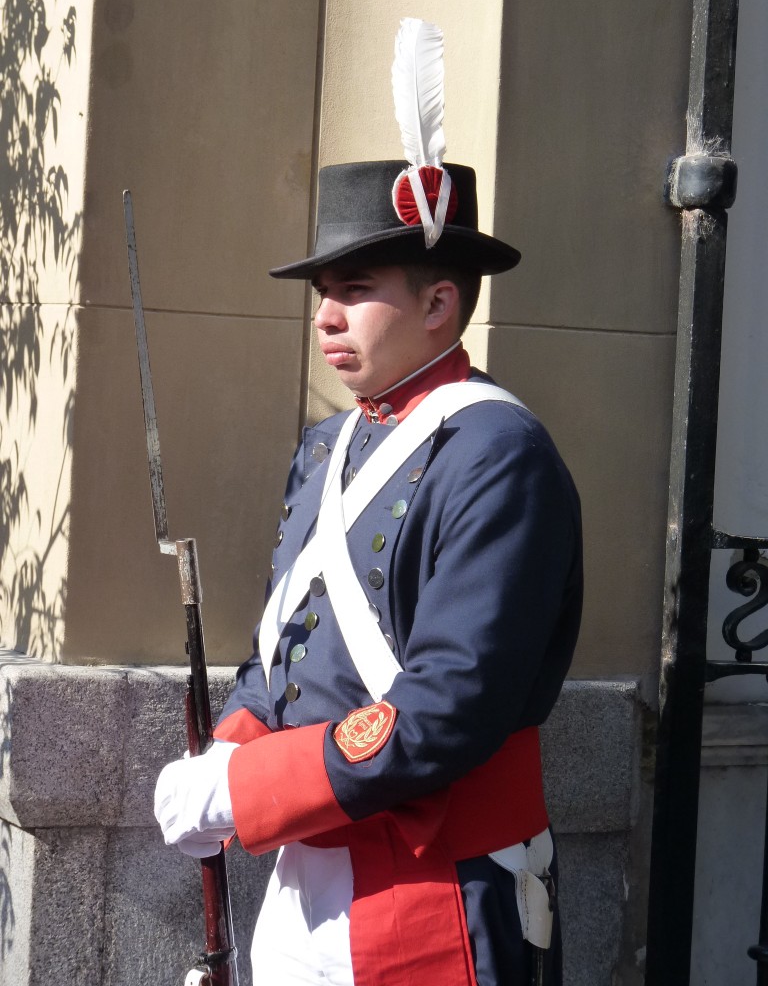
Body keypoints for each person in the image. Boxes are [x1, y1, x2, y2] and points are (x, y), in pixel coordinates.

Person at [155, 153, 582, 986]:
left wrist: (245, 788)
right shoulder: (329, 445)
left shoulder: (499, 453)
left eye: (354, 289)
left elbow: (448, 706)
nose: (325, 317)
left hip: (436, 886)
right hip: (304, 877)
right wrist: (225, 753)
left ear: (438, 303)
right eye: (323, 293)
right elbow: (285, 650)